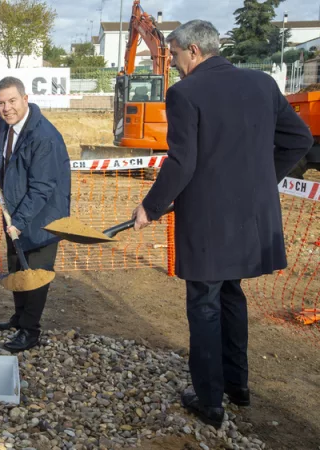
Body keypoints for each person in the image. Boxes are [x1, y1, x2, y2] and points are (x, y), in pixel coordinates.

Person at [130, 20, 313, 428]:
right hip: (252, 221)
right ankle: (237, 385)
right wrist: (262, 179)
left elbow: (182, 162)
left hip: (210, 225)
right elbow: (299, 140)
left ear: (193, 51)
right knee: (231, 296)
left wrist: (150, 207)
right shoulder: (262, 84)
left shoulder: (185, 93)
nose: (173, 63)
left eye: (175, 55)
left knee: (205, 306)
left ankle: (210, 399)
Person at [0, 76, 71, 353]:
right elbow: (4, 156)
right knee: (17, 267)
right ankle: (19, 318)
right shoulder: (6, 124)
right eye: (1, 103)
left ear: (25, 98)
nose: (6, 108)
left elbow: (42, 188)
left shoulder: (43, 137)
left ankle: (30, 330)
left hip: (43, 217)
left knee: (35, 274)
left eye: (12, 101)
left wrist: (19, 223)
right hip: (16, 213)